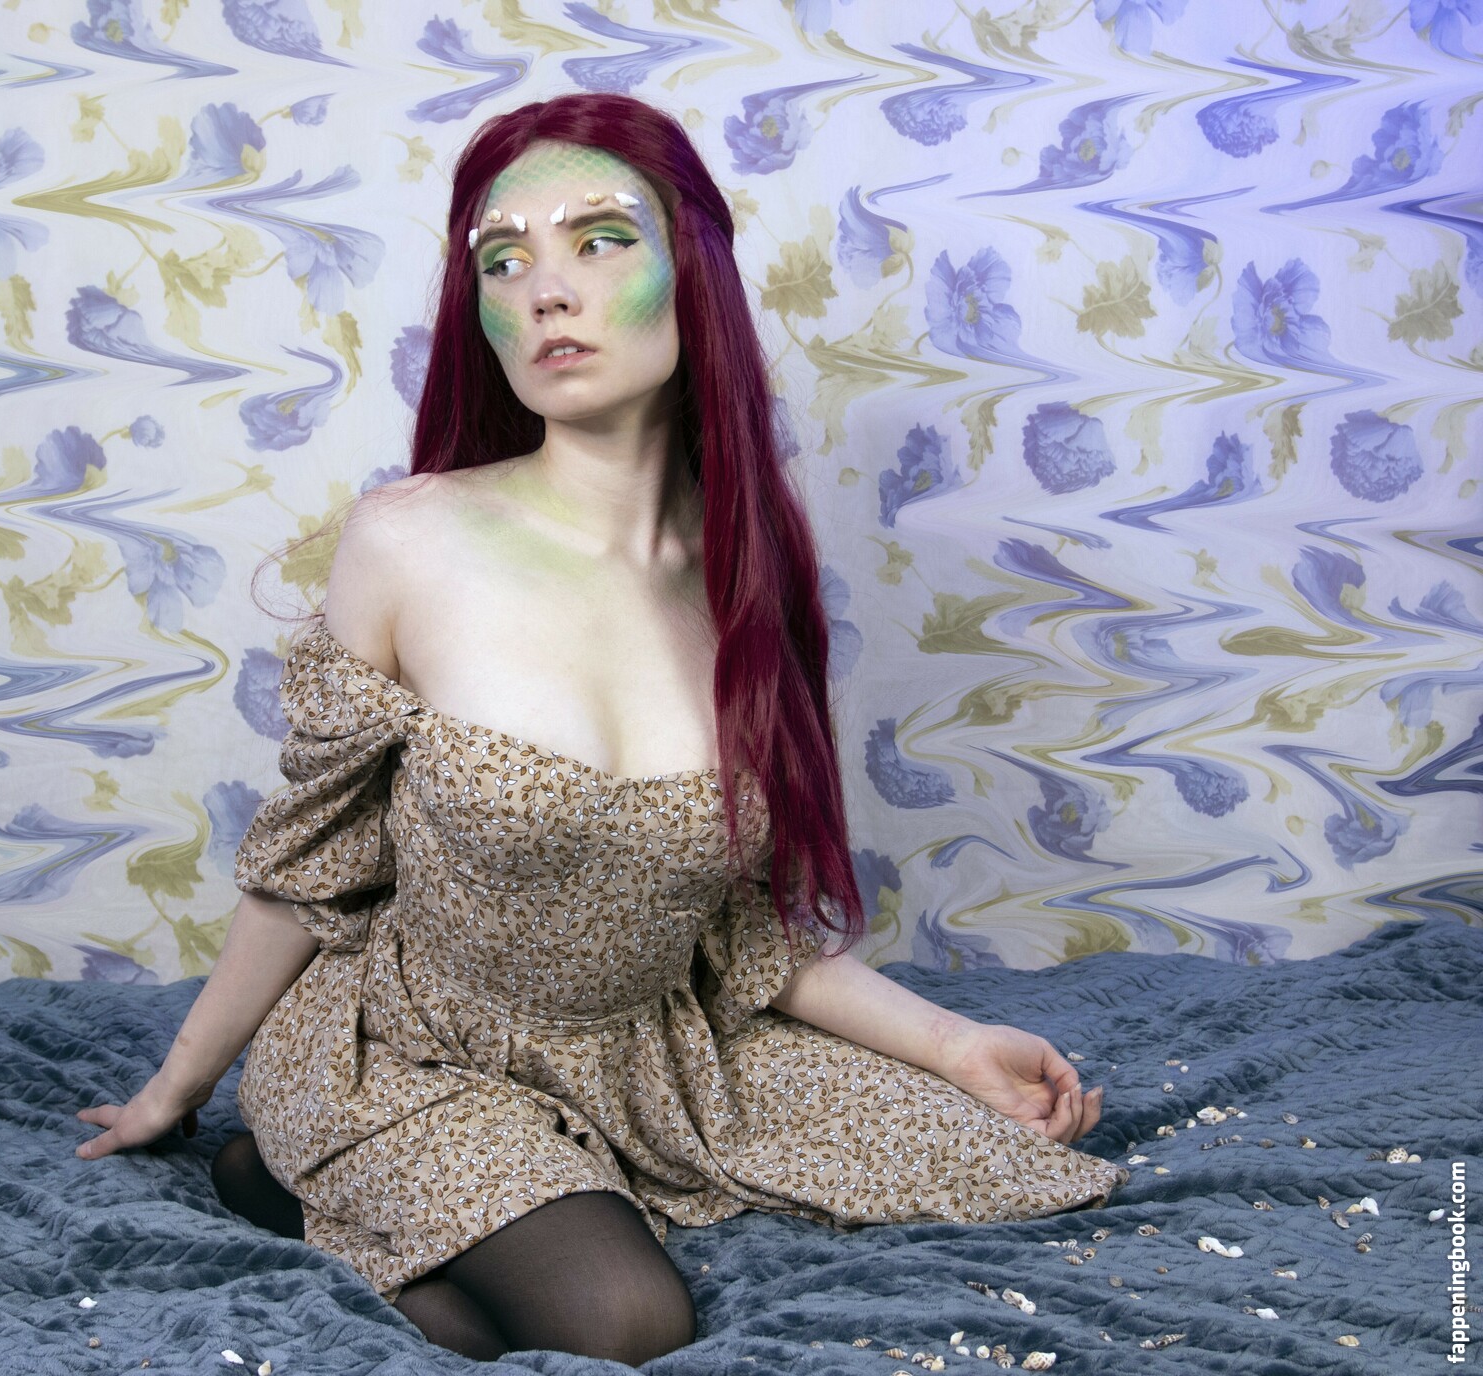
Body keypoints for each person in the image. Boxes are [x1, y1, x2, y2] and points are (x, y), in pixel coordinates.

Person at [72, 91, 1126, 1364]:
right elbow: (311, 866)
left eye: (599, 239)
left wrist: (958, 1048)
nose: (546, 291)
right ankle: (295, 1164)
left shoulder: (745, 586)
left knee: (1017, 1166)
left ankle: (358, 1197)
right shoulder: (408, 539)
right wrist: (174, 1088)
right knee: (623, 1317)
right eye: (502, 261)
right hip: (404, 1051)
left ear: (694, 271)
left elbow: (745, 936)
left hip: (648, 1062)